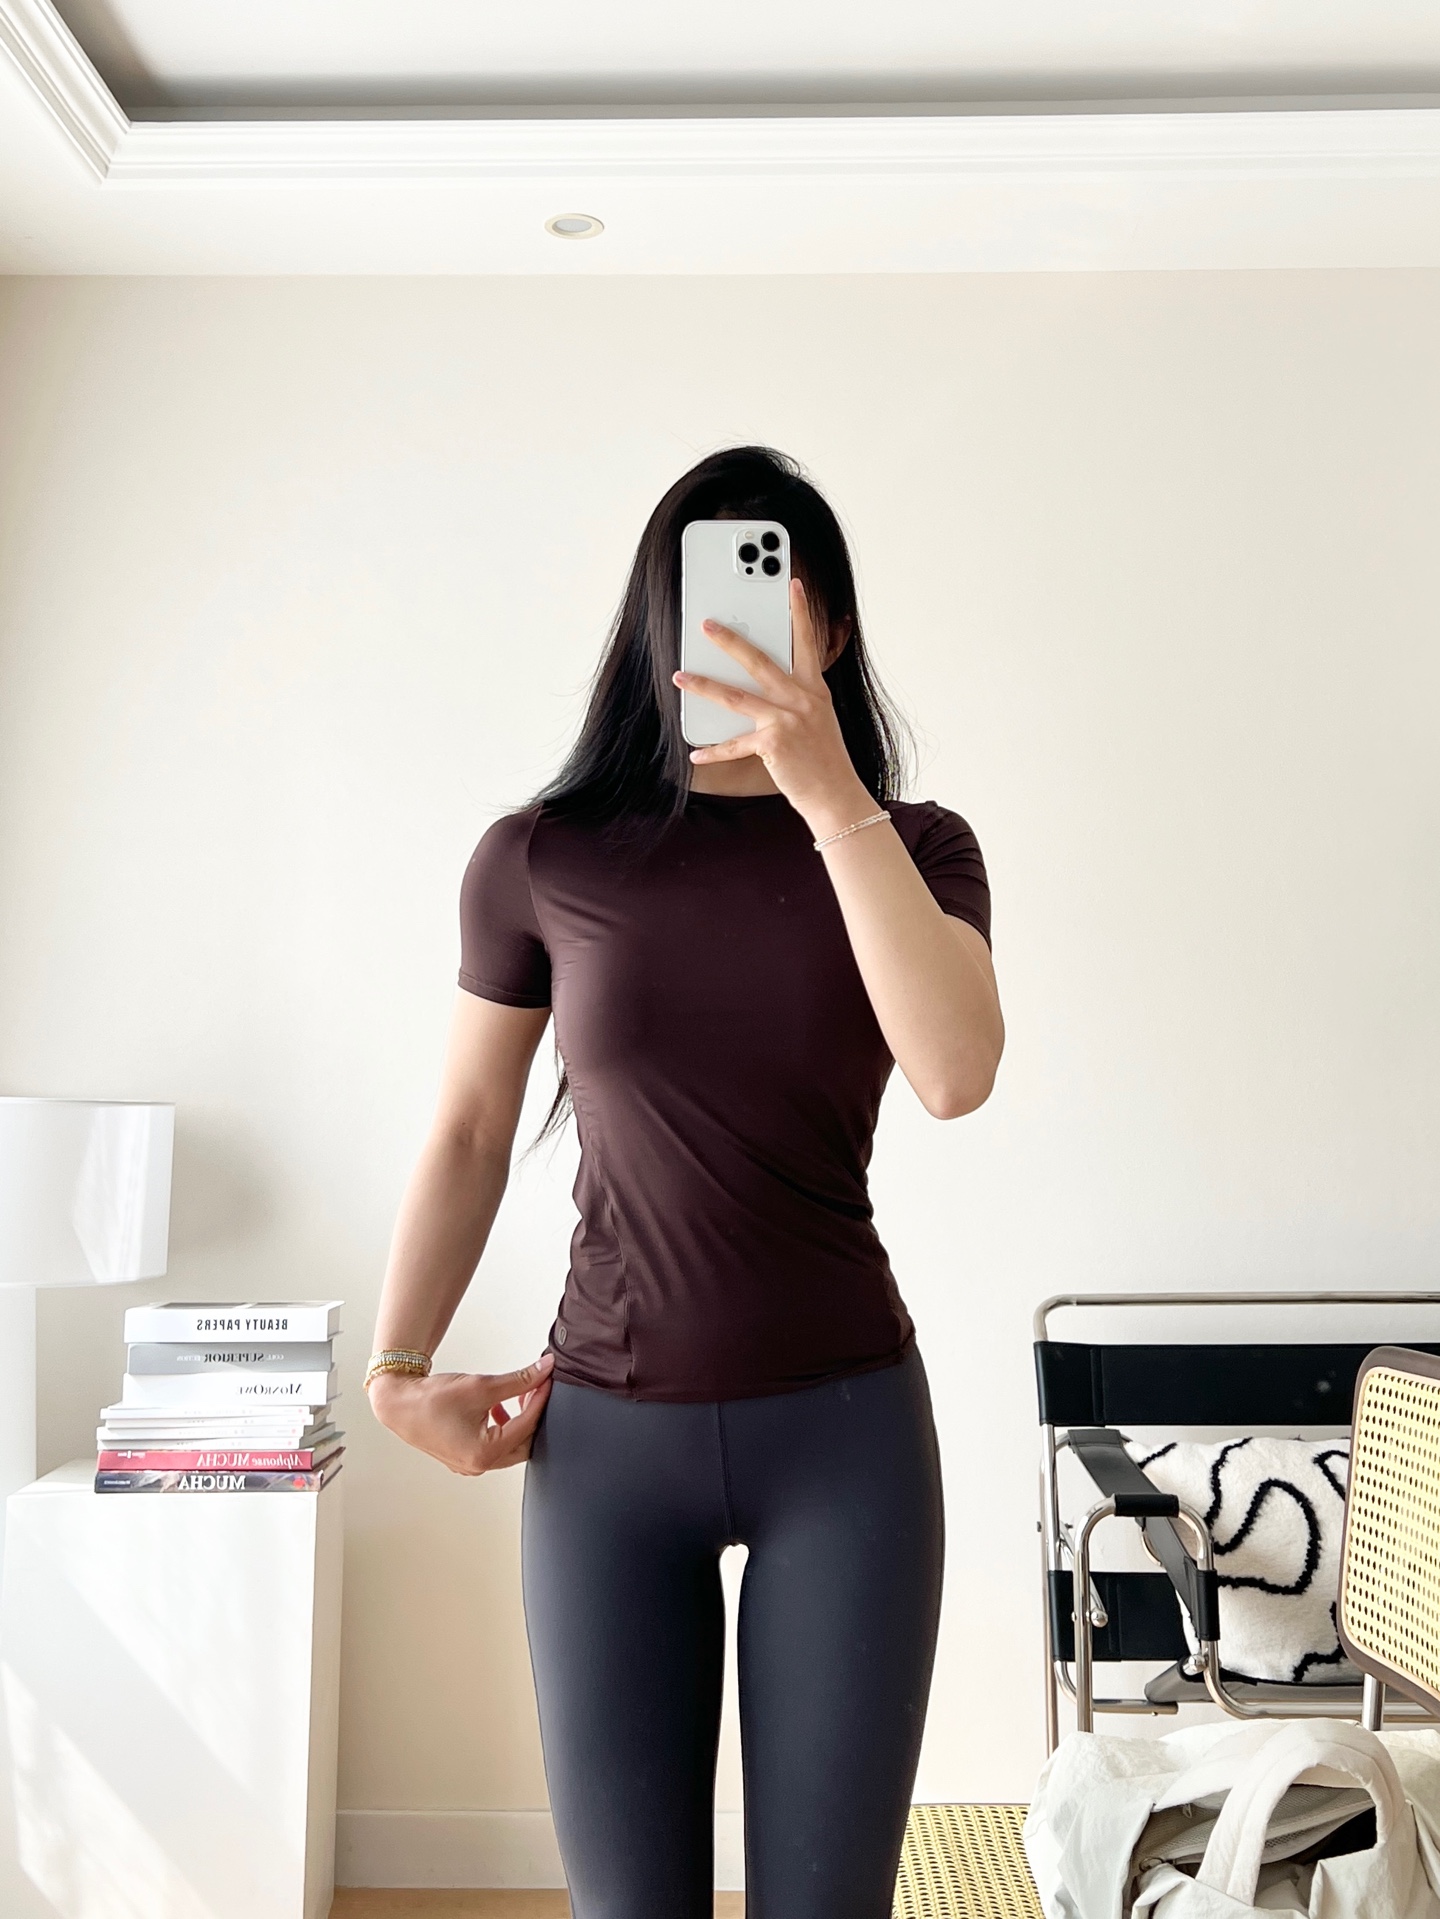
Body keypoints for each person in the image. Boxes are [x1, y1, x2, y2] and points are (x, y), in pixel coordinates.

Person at [365, 446, 1004, 1919]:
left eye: (773, 592)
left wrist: (827, 793)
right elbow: (469, 1128)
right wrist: (397, 1372)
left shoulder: (917, 849)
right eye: (699, 597)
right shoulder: (543, 857)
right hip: (604, 1449)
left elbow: (957, 1071)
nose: (731, 626)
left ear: (831, 625)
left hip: (847, 1440)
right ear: (653, 626)